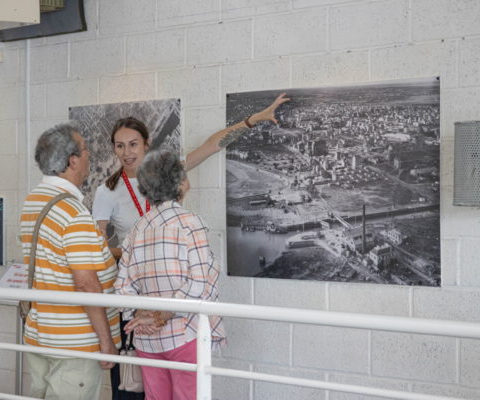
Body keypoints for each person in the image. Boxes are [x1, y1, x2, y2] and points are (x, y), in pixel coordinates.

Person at [92, 93, 289, 399]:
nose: (126, 152)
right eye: (119, 145)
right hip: (140, 294)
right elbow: (98, 248)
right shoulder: (107, 190)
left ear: (146, 144)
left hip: (170, 293)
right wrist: (145, 251)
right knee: (136, 386)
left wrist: (254, 119)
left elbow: (212, 146)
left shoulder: (166, 174)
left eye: (132, 144)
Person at [20, 122, 121, 400]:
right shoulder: (72, 212)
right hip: (75, 343)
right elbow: (86, 284)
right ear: (73, 161)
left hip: (41, 334)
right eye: (86, 149)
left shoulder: (33, 201)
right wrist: (105, 342)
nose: (90, 156)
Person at [115, 149, 225, 400]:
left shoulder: (137, 228)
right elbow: (199, 283)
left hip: (146, 338)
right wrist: (159, 316)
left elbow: (122, 288)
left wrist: (141, 316)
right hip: (184, 333)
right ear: (180, 182)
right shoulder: (190, 223)